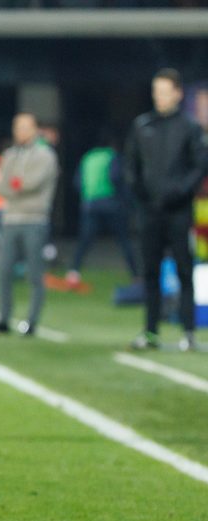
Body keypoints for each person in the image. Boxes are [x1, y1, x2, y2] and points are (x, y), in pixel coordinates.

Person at [124, 68, 207, 352]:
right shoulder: (142, 125)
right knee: (150, 272)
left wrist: (179, 192)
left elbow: (199, 167)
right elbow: (130, 167)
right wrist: (141, 194)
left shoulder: (190, 128)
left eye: (164, 91)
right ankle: (150, 331)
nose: (159, 97)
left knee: (185, 270)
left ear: (177, 93)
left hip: (180, 212)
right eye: (155, 91)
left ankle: (188, 333)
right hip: (149, 212)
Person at [0, 112, 59, 336]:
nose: (21, 132)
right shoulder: (9, 155)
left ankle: (32, 321)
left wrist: (15, 185)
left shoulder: (46, 155)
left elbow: (32, 184)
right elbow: (2, 186)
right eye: (18, 127)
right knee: (3, 271)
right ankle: (3, 319)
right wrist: (16, 185)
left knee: (35, 274)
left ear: (35, 129)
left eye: (26, 127)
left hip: (34, 219)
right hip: (10, 220)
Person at [66, 131, 139, 287]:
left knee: (85, 240)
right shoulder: (112, 156)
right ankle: (136, 275)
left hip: (90, 204)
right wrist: (126, 200)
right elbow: (116, 177)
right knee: (124, 240)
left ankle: (73, 272)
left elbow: (77, 182)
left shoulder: (88, 157)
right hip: (110, 204)